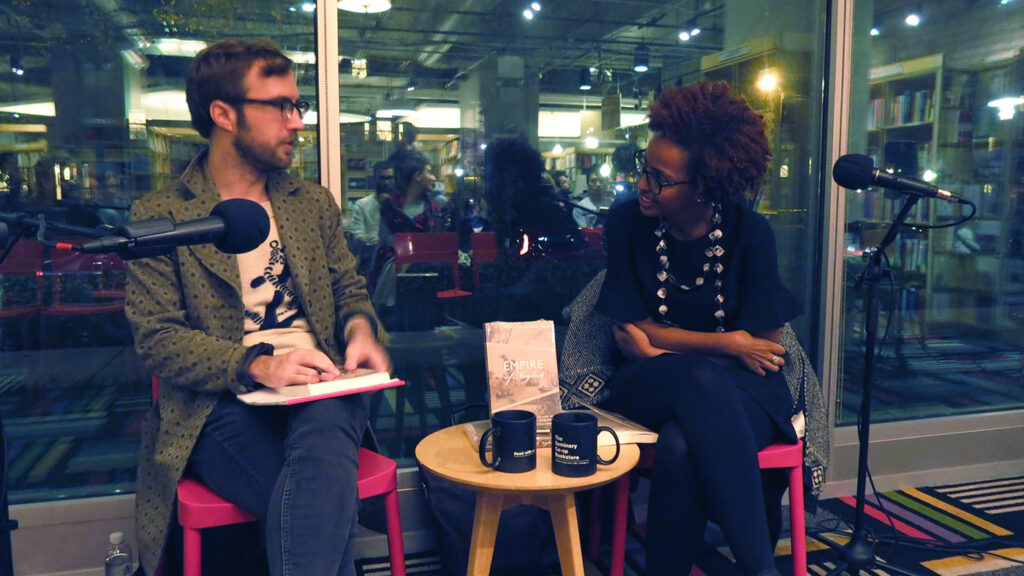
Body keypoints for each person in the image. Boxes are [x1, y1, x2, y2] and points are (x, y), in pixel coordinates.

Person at [124, 38, 389, 576]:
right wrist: (258, 365)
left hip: (321, 392)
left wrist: (361, 331)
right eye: (280, 106)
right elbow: (158, 338)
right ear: (223, 113)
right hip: (217, 407)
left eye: (299, 106)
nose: (297, 122)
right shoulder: (165, 215)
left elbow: (349, 294)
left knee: (328, 419)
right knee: (318, 507)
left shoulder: (310, 203)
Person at [595, 81, 799, 576]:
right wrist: (727, 344)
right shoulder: (625, 224)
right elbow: (632, 327)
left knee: (681, 445)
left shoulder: (751, 234)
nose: (644, 185)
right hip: (647, 382)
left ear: (704, 186)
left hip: (742, 392)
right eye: (644, 169)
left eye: (660, 179)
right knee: (699, 381)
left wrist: (660, 347)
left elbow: (766, 350)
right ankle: (760, 570)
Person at [370, 150, 441, 310]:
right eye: (429, 172)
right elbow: (386, 240)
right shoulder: (390, 206)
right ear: (417, 176)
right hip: (395, 262)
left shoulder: (436, 207)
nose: (434, 178)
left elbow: (438, 244)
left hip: (428, 268)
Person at [348, 161, 394, 272]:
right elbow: (358, 237)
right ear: (374, 179)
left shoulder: (400, 205)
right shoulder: (363, 205)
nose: (386, 183)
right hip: (370, 258)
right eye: (382, 178)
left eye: (389, 178)